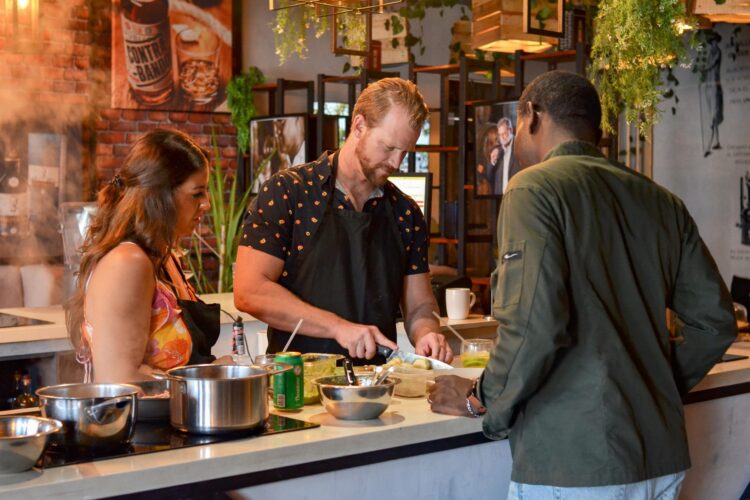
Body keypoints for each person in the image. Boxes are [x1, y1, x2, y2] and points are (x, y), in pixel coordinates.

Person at [428, 71, 736, 498]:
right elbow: (716, 323)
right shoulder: (661, 200)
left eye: (516, 125)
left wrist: (480, 399)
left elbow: (533, 323)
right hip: (659, 457)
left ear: (531, 115)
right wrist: (649, 384)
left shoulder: (533, 189)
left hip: (572, 460)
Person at [235, 78, 453, 364]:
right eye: (388, 147)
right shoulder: (289, 191)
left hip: (375, 388)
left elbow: (420, 305)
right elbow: (249, 291)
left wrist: (426, 332)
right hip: (297, 386)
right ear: (359, 126)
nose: (397, 163)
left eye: (406, 152)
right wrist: (338, 328)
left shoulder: (406, 213)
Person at [66, 129, 232, 383]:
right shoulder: (127, 263)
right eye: (197, 193)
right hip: (138, 421)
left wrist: (211, 371)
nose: (207, 203)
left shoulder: (164, 258)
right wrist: (207, 376)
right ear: (159, 194)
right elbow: (118, 381)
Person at [490, 117, 521, 195]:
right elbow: (489, 176)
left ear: (511, 130)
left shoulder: (520, 147)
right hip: (499, 199)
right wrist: (492, 162)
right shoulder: (496, 150)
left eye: (504, 134)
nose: (502, 138)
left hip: (516, 196)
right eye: (500, 135)